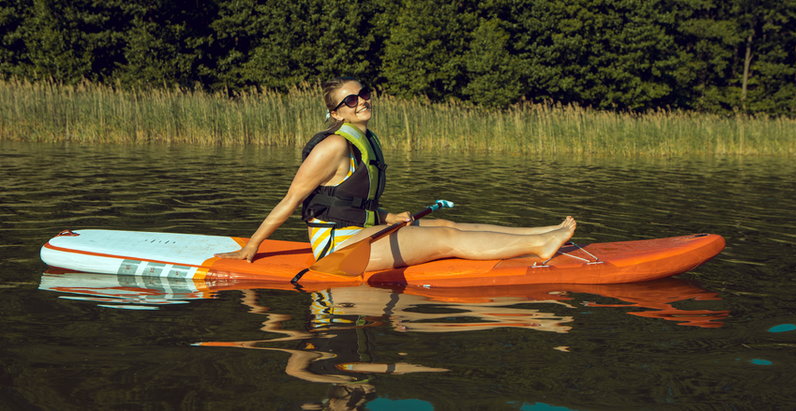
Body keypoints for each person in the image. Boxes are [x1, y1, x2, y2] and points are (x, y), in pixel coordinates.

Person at [216, 77, 576, 270]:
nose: (362, 102)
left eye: (364, 94)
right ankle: (538, 246)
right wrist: (252, 247)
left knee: (446, 225)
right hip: (338, 251)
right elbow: (292, 200)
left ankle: (541, 232)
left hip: (362, 231)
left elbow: (350, 201)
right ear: (337, 113)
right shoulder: (333, 147)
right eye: (351, 100)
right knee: (444, 240)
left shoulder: (366, 139)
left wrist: (390, 216)